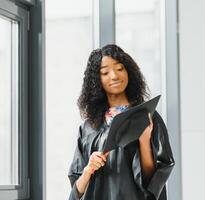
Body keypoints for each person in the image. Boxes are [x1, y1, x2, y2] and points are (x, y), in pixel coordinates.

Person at [68, 44, 175, 200]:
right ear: (97, 80)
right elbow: (76, 191)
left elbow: (153, 183)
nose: (114, 76)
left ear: (129, 72)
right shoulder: (89, 127)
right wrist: (88, 169)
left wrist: (144, 140)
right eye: (105, 72)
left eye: (120, 69)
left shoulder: (148, 116)